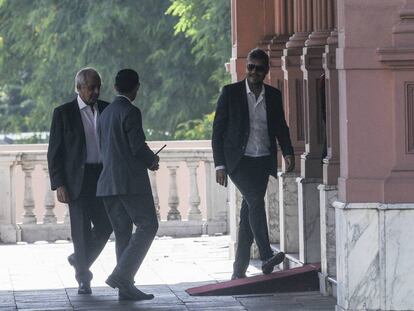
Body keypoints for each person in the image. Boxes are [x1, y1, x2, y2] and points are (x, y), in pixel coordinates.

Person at [212, 48, 295, 280]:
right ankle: (267, 255)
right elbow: (217, 131)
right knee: (256, 201)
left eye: (259, 68)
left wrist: (288, 152)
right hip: (238, 161)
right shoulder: (230, 93)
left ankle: (238, 271)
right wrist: (220, 165)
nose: (253, 71)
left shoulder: (273, 95)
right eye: (250, 67)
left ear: (266, 71)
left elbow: (280, 126)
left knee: (248, 213)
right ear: (246, 67)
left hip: (262, 160)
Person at [47, 68, 113, 294]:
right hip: (77, 180)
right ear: (79, 88)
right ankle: (83, 278)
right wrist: (59, 184)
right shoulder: (63, 113)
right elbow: (54, 152)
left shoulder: (107, 109)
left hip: (103, 177)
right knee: (81, 231)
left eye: (98, 87)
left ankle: (79, 259)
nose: (95, 91)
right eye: (91, 87)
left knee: (106, 225)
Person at [97, 69, 159, 301]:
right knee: (148, 225)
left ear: (115, 87)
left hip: (107, 184)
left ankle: (126, 289)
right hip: (129, 183)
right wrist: (152, 159)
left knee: (123, 234)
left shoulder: (104, 114)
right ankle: (122, 276)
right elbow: (136, 146)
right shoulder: (131, 111)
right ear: (136, 88)